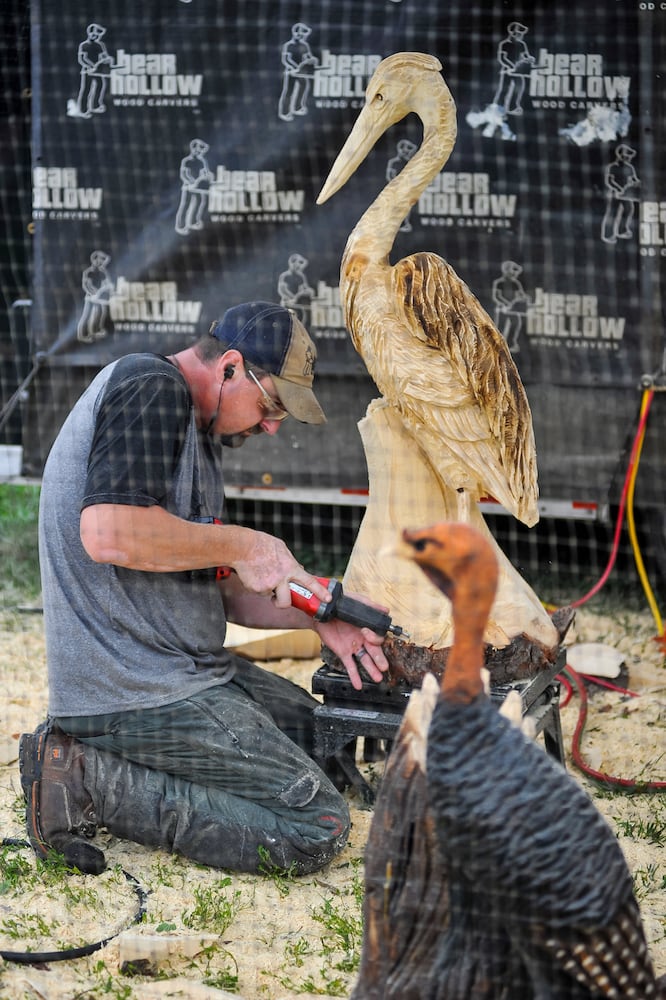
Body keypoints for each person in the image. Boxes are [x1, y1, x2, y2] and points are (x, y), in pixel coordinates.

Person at [19, 301, 389, 877]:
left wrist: (319, 616)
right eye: (270, 406)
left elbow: (218, 588)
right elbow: (108, 533)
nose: (270, 425)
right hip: (130, 686)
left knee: (322, 738)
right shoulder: (150, 387)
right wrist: (246, 545)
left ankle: (117, 765)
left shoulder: (198, 434)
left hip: (181, 668)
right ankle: (86, 774)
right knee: (317, 823)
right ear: (231, 367)